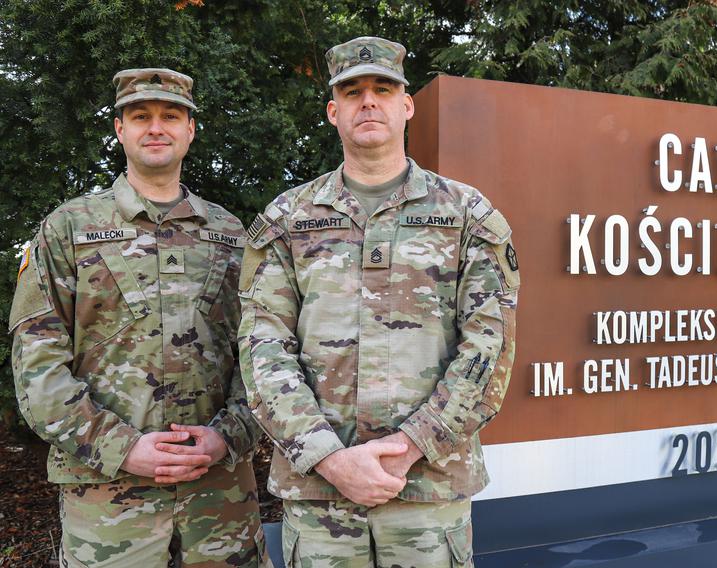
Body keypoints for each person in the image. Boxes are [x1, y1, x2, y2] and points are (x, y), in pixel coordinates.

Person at [238, 36, 520, 567]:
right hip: (320, 496)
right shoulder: (287, 219)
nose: (368, 101)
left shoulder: (466, 213)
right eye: (352, 91)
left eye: (383, 88)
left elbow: (489, 346)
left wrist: (411, 444)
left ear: (406, 105)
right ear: (333, 111)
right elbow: (262, 348)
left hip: (427, 493)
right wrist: (329, 457)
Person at [9, 68, 269, 567]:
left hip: (219, 499)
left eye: (171, 116)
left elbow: (260, 353)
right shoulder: (68, 228)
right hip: (109, 500)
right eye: (140, 116)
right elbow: (37, 367)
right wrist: (121, 446)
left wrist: (227, 437)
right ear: (119, 129)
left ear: (190, 130)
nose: (156, 127)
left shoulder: (231, 234)